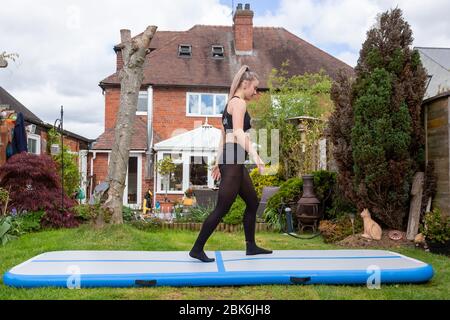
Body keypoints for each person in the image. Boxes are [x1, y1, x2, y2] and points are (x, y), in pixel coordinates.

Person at [189, 65, 273, 262]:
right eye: (255, 87)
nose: (256, 91)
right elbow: (237, 133)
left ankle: (251, 246)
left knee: (252, 201)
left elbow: (223, 136)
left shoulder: (229, 105)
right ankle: (197, 249)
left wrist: (219, 162)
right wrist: (256, 156)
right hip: (234, 158)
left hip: (232, 158)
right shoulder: (239, 103)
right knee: (222, 207)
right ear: (245, 84)